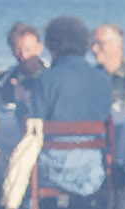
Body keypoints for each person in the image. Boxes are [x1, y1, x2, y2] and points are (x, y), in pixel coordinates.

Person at [25, 15, 114, 198]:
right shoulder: (102, 79)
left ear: (52, 46)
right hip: (93, 168)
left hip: (54, 168)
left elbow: (31, 127)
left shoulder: (45, 80)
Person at [0, 22, 46, 118]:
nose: (23, 56)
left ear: (39, 48)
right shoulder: (3, 81)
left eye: (28, 50)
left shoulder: (51, 78)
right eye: (17, 50)